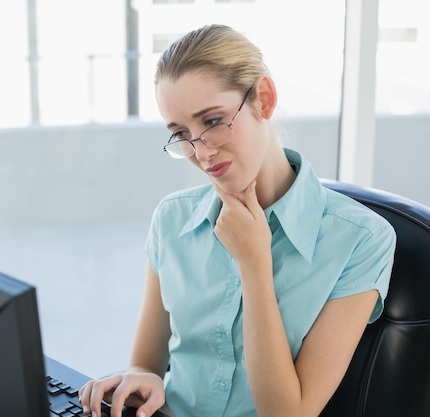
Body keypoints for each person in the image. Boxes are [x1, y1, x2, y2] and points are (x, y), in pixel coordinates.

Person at [78, 24, 396, 417]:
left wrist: (254, 263)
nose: (202, 151)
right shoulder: (172, 218)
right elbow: (146, 362)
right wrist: (142, 379)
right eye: (181, 133)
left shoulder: (361, 240)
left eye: (212, 121)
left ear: (263, 99)